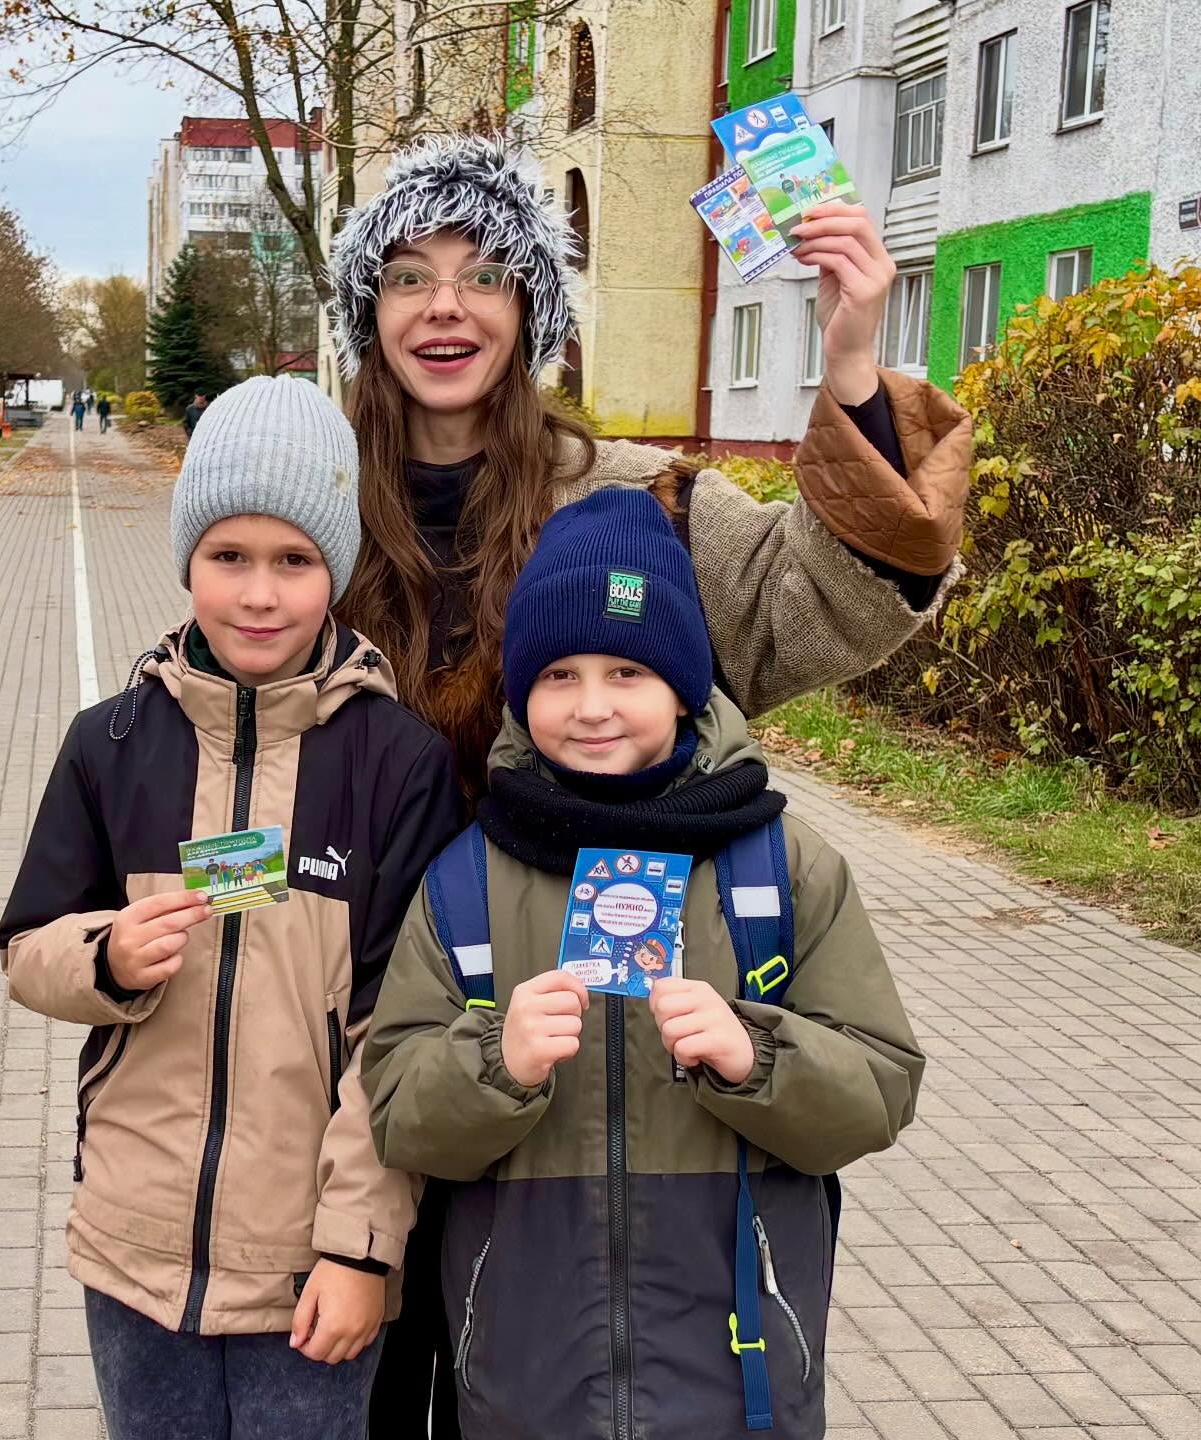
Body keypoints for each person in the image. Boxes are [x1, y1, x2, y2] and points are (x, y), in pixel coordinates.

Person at [324, 132, 968, 1436]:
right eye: (407, 276)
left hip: (589, 1067)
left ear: (531, 306)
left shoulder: (639, 507)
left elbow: (824, 604)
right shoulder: (313, 511)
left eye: (484, 273)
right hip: (354, 1055)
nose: (445, 306)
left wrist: (849, 363)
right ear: (366, 311)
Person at [362, 487, 925, 1440]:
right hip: (525, 1391)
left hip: (738, 1385)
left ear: (685, 687)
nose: (592, 707)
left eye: (627, 671)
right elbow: (396, 1111)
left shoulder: (781, 869)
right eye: (559, 675)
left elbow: (880, 1088)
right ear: (522, 691)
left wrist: (755, 1054)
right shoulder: (467, 879)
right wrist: (495, 1063)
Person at [0, 375, 464, 1440]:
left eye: (294, 560)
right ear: (187, 562)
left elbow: (405, 1034)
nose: (259, 594)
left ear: (336, 570)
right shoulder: (110, 743)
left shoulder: (398, 764)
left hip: (308, 1267)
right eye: (229, 557)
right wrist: (105, 956)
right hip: (132, 1249)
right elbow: (28, 947)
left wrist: (359, 1251)